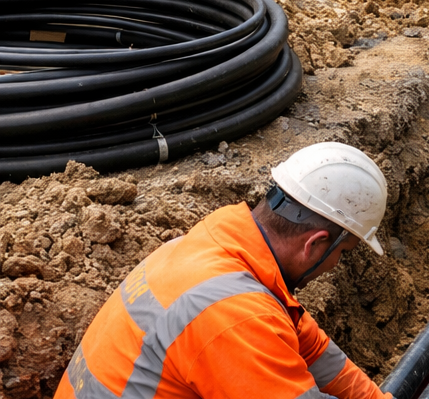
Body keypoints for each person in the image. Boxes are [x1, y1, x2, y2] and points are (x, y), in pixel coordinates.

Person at [55, 142, 392, 399]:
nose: (335, 266)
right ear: (315, 244)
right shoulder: (235, 315)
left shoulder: (212, 249)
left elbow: (315, 351)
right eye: (342, 253)